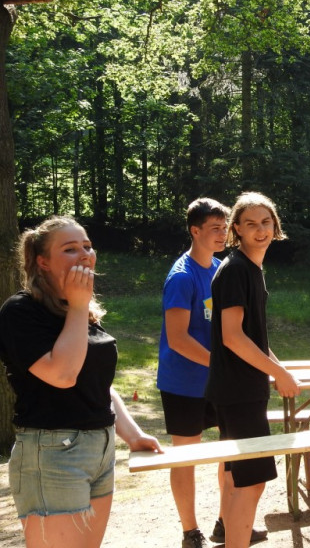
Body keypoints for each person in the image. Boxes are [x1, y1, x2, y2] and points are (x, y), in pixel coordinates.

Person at [0, 215, 162, 548]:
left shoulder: (80, 311)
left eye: (87, 246)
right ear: (43, 262)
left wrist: (133, 435)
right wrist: (77, 305)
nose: (85, 254)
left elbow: (98, 384)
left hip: (99, 448)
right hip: (52, 452)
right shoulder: (20, 310)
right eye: (70, 249)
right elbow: (62, 375)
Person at [157, 198, 266, 548]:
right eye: (215, 228)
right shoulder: (182, 276)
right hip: (183, 383)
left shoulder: (221, 268)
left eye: (224, 227)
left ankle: (226, 523)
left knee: (230, 452)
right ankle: (190, 532)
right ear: (195, 231)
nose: (222, 234)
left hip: (219, 384)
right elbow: (177, 339)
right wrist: (221, 365)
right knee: (186, 458)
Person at [204, 192, 301, 548]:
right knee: (251, 481)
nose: (260, 230)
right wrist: (279, 374)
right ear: (237, 230)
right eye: (251, 224)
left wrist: (278, 367)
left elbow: (253, 337)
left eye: (265, 222)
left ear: (275, 226)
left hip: (239, 390)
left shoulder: (250, 268)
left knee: (238, 479)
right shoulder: (235, 270)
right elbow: (232, 337)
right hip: (238, 392)